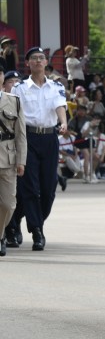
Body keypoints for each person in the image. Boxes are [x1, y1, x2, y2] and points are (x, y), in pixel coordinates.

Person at [13, 47, 68, 251]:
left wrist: (63, 123)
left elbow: (60, 106)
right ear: (27, 63)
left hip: (49, 138)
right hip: (27, 137)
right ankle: (37, 230)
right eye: (33, 58)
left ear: (46, 62)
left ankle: (17, 217)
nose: (38, 61)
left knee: (48, 189)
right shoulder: (19, 88)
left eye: (41, 58)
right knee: (29, 187)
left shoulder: (55, 86)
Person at [0, 82, 26, 256]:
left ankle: (0, 234)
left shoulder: (14, 101)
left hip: (7, 157)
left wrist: (21, 160)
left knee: (8, 204)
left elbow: (21, 133)